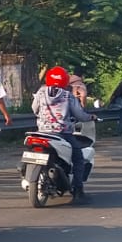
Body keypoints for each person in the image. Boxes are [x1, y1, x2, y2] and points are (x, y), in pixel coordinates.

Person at [31, 66, 92, 202]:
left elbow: (34, 109)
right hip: (62, 133)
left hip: (42, 132)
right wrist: (90, 117)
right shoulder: (68, 96)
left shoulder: (41, 92)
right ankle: (78, 191)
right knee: (78, 159)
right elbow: (80, 115)